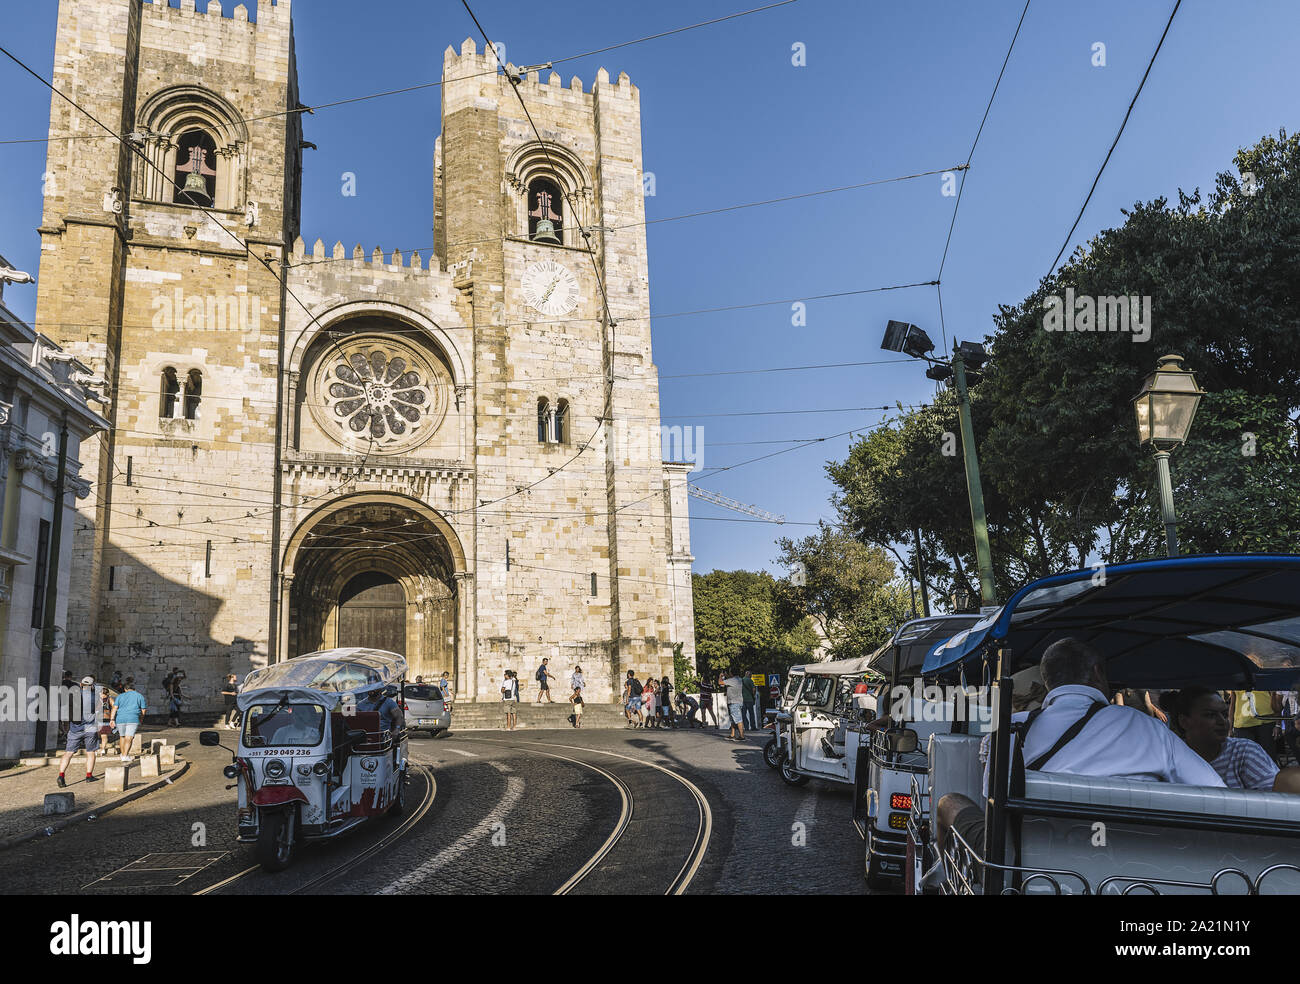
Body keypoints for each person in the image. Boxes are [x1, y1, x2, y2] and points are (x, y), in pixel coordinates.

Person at [936, 637, 1225, 858]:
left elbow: (994, 809)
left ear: (1047, 681)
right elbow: (1216, 795)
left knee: (949, 802)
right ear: (1098, 672)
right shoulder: (1149, 729)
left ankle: (936, 876)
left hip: (1024, 870)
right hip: (1130, 869)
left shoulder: (1008, 731)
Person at [1162, 686, 1300, 792]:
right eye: (1210, 715)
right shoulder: (1167, 759)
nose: (1222, 721)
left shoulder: (1244, 752)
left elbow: (1273, 799)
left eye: (1223, 714)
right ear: (1184, 722)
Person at [57, 675, 102, 788]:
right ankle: (88, 776)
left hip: (75, 728)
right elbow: (98, 710)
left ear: (81, 685)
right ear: (92, 686)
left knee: (68, 753)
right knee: (91, 752)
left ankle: (61, 775)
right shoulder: (95, 697)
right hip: (90, 728)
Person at [1229, 690, 1280, 761]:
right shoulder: (1236, 680)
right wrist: (1230, 728)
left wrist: (1278, 724)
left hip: (1266, 722)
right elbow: (1232, 705)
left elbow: (1275, 701)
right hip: (1242, 725)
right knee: (1247, 759)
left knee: (1269, 757)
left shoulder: (1266, 679)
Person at [111, 678, 147, 760]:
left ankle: (123, 754)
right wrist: (141, 718)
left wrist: (112, 719)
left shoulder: (120, 696)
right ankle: (125, 755)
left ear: (125, 689)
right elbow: (143, 710)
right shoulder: (139, 696)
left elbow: (114, 708)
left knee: (122, 737)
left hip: (120, 719)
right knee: (129, 737)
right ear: (134, 689)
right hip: (133, 718)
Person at [722, 670, 746, 741]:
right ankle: (732, 734)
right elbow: (731, 678)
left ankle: (742, 736)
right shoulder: (739, 679)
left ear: (731, 673)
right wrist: (727, 676)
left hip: (733, 702)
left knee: (738, 719)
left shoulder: (732, 680)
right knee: (733, 719)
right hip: (738, 701)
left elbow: (720, 682)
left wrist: (721, 676)